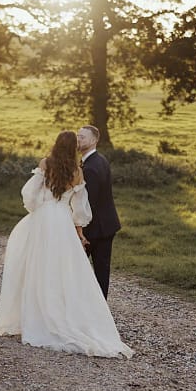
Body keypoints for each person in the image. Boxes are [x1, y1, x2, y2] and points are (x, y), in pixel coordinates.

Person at [0, 130, 133, 359]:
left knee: (37, 266)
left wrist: (38, 209)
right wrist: (79, 232)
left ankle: (36, 316)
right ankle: (65, 315)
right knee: (64, 269)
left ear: (56, 144)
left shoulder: (45, 164)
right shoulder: (77, 172)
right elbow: (80, 208)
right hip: (62, 221)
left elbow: (29, 194)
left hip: (42, 219)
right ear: (73, 148)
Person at [77, 125, 120, 300]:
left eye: (83, 137)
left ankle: (89, 305)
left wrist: (81, 233)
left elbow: (89, 205)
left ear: (94, 140)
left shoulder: (91, 168)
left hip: (95, 229)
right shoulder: (99, 159)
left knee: (75, 266)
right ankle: (99, 306)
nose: (78, 140)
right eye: (78, 136)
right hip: (107, 225)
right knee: (102, 270)